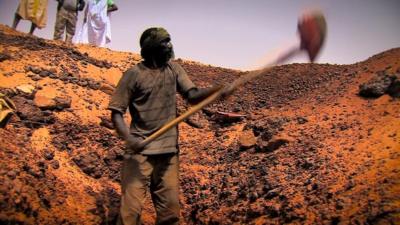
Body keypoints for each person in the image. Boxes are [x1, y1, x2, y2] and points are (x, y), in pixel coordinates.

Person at [108, 27, 221, 224]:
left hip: (169, 153)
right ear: (151, 46)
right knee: (130, 214)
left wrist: (216, 91)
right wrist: (129, 138)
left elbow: (192, 96)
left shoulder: (174, 69)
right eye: (164, 41)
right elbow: (116, 112)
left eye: (169, 41)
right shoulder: (133, 75)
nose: (169, 45)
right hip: (139, 155)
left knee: (170, 214)